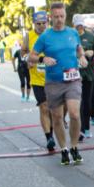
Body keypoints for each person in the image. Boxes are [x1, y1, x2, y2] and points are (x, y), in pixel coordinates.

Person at [29, 2, 87, 165]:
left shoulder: (73, 33)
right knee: (57, 116)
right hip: (53, 82)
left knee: (74, 114)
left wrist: (81, 56)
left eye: (62, 16)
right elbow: (31, 56)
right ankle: (63, 149)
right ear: (51, 18)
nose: (59, 20)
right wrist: (42, 58)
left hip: (73, 79)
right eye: (56, 17)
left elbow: (78, 49)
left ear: (65, 16)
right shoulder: (45, 37)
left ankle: (74, 146)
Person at [24, 11, 55, 151]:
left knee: (54, 110)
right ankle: (49, 137)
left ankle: (53, 132)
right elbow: (23, 52)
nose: (41, 26)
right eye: (38, 24)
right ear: (34, 24)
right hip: (37, 79)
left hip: (53, 77)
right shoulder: (28, 36)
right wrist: (27, 60)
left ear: (47, 23)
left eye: (44, 23)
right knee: (44, 106)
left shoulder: (53, 35)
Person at [73, 15, 94, 139]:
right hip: (74, 75)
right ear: (73, 24)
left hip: (88, 74)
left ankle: (86, 128)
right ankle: (80, 129)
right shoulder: (70, 37)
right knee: (77, 103)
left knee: (87, 102)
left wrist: (93, 53)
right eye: (77, 25)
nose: (79, 27)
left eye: (81, 24)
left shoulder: (91, 37)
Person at [17, 33, 31, 101]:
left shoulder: (30, 51)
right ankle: (23, 95)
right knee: (23, 82)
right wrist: (14, 67)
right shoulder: (18, 51)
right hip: (20, 68)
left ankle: (28, 97)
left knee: (28, 82)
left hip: (28, 68)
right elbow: (13, 59)